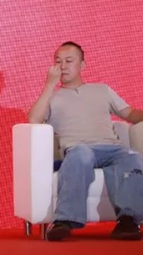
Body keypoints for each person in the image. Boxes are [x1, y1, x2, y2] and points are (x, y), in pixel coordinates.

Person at [28, 41, 143, 241]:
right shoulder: (52, 96)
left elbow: (130, 114)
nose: (63, 66)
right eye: (58, 61)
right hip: (78, 147)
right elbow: (33, 120)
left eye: (69, 61)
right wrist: (49, 85)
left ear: (82, 65)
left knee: (132, 157)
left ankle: (128, 221)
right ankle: (64, 221)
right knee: (80, 155)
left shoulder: (102, 90)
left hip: (112, 148)